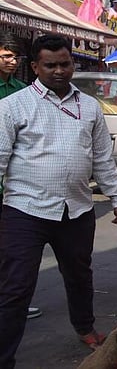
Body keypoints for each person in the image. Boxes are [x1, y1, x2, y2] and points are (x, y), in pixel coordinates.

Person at [0, 34, 117, 364]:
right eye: (50, 65)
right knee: (16, 288)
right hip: (24, 210)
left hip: (76, 210)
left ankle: (85, 326)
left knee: (80, 275)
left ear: (72, 64)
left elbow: (101, 157)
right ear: (35, 67)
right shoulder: (13, 106)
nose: (59, 70)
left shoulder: (88, 107)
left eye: (65, 64)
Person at [0, 33, 41, 322]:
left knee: (12, 249)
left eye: (15, 57)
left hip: (15, 182)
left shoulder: (20, 90)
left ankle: (13, 300)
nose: (12, 62)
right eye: (6, 56)